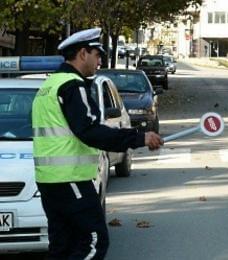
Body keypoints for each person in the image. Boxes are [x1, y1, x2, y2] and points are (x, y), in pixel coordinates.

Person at [32, 28, 163, 260]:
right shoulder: (73, 86)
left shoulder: (49, 86)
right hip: (69, 179)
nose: (99, 60)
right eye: (97, 54)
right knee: (94, 240)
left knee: (62, 246)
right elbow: (90, 131)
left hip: (50, 180)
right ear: (83, 53)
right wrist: (138, 138)